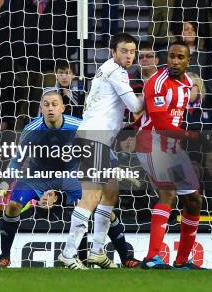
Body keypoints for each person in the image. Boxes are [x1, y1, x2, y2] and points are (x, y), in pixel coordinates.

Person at [0, 89, 140, 268]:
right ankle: (4, 256)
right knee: (12, 206)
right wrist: (5, 183)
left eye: (55, 104)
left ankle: (126, 257)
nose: (50, 108)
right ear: (40, 108)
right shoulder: (31, 129)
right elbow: (17, 160)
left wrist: (115, 167)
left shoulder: (78, 125)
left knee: (103, 207)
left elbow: (101, 148)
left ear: (63, 107)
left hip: (71, 176)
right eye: (46, 105)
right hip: (38, 176)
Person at [58, 33, 144, 269]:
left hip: (100, 139)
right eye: (124, 51)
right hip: (94, 137)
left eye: (132, 51)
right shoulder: (116, 72)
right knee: (92, 196)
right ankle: (68, 253)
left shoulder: (108, 69)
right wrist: (154, 92)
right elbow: (136, 107)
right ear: (113, 52)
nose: (129, 55)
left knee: (111, 193)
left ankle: (97, 251)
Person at [136, 41, 205, 270]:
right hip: (150, 143)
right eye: (171, 56)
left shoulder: (188, 83)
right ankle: (152, 258)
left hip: (172, 147)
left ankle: (183, 260)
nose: (174, 61)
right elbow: (161, 123)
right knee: (167, 191)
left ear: (188, 61)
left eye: (180, 57)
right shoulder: (157, 83)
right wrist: (192, 136)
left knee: (194, 199)